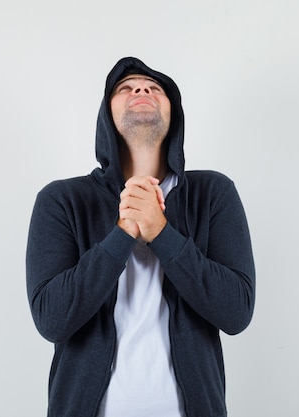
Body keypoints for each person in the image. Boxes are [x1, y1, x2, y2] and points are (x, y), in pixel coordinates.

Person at [26, 57, 255, 417]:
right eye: (125, 88)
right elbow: (52, 319)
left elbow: (237, 312)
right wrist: (123, 233)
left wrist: (161, 233)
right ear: (106, 117)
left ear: (173, 116)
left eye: (154, 87)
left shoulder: (214, 193)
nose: (141, 90)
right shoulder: (62, 200)